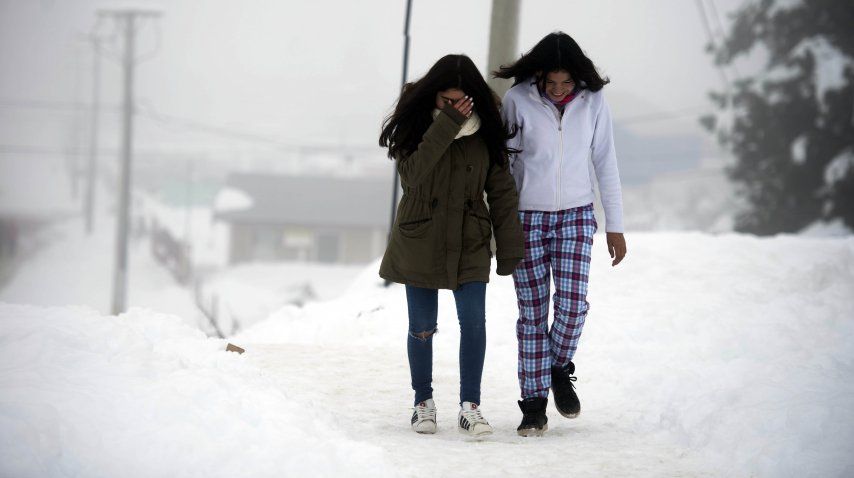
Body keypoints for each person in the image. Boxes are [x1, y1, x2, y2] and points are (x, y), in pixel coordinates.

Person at [379, 54, 524, 437]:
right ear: (434, 97)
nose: (454, 106)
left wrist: (509, 248)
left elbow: (503, 192)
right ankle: (422, 404)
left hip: (470, 237)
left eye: (462, 100)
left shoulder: (487, 132)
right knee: (422, 327)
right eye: (446, 100)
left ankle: (470, 407)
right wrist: (447, 124)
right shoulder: (415, 128)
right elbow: (411, 175)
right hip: (420, 235)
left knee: (474, 323)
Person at [494, 32, 628, 437]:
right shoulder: (517, 100)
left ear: (578, 78)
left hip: (575, 214)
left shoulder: (593, 102)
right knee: (532, 315)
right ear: (537, 76)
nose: (557, 90)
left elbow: (605, 161)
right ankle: (533, 406)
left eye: (565, 83)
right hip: (526, 218)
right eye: (550, 83)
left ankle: (557, 367)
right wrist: (502, 223)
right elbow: (505, 165)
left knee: (572, 305)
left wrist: (615, 225)